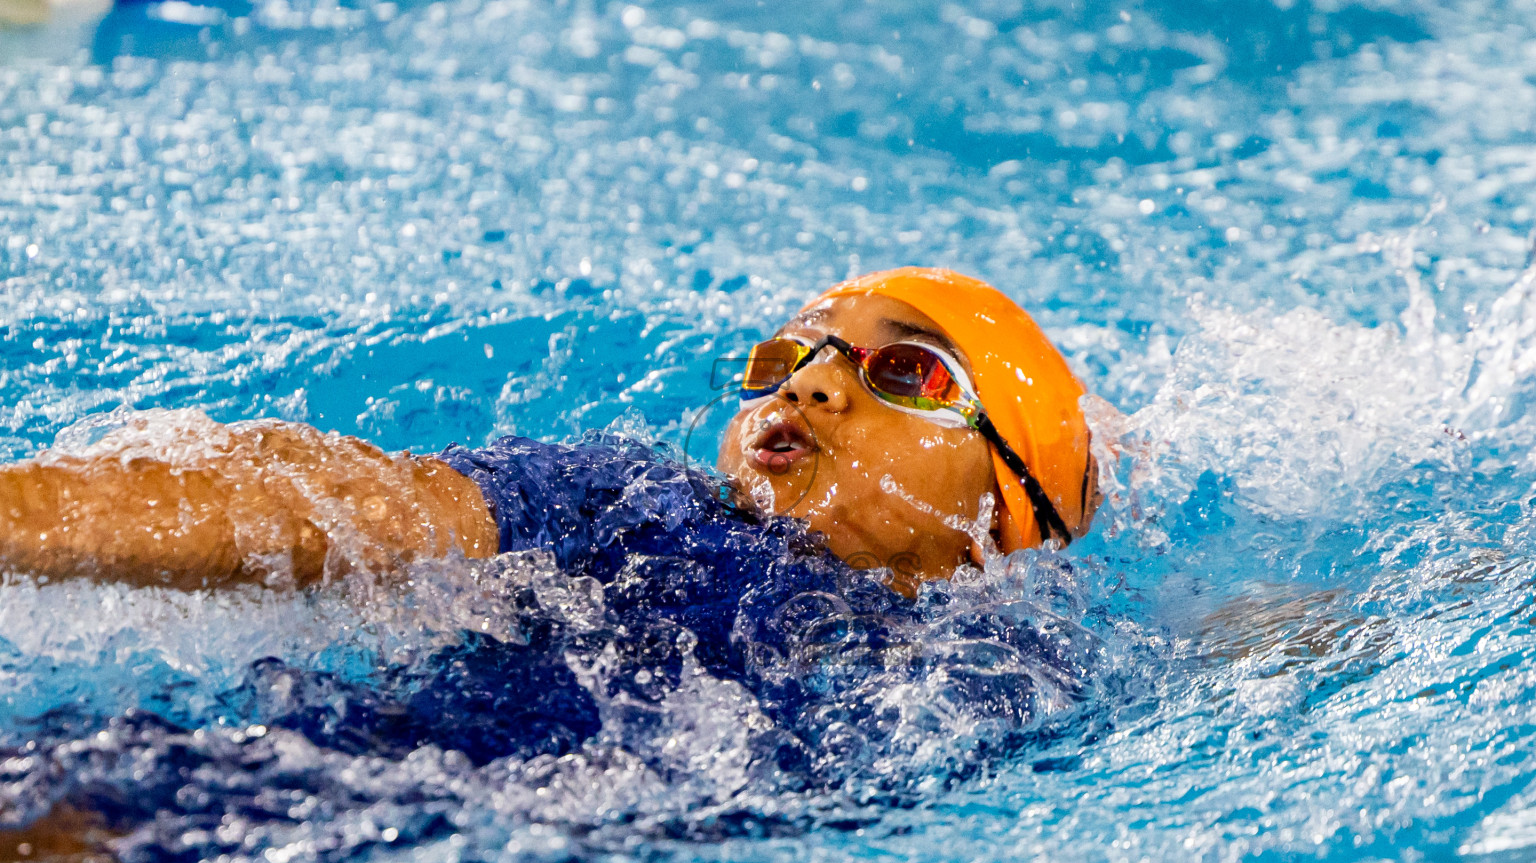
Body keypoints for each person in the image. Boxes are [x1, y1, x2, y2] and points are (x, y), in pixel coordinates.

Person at [0, 267, 1099, 595]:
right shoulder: (624, 509)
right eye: (795, 353)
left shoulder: (1030, 672)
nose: (810, 388)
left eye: (904, 370)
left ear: (1002, 507)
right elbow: (335, 499)